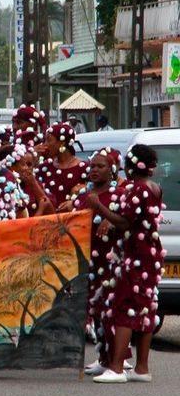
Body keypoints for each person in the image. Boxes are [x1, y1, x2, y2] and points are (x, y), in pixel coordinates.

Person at [87, 144, 164, 383]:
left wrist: (99, 207)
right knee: (145, 309)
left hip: (136, 258)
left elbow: (123, 222)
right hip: (148, 255)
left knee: (123, 308)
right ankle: (141, 368)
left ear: (131, 166)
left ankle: (117, 368)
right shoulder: (154, 187)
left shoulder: (139, 190)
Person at [70, 148, 127, 376]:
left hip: (112, 261)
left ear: (112, 170)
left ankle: (118, 361)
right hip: (89, 262)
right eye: (92, 166)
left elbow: (126, 220)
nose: (94, 170)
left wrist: (109, 219)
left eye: (100, 166)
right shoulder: (85, 195)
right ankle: (103, 358)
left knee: (110, 310)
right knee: (95, 310)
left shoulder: (120, 195)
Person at [36, 122, 88, 209]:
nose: (45, 145)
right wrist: (34, 158)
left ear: (62, 143)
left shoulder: (84, 167)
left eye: (49, 140)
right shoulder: (44, 167)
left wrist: (75, 202)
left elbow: (94, 194)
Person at [0, 143, 54, 217]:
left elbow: (51, 213)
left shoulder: (32, 183)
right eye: (23, 164)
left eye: (29, 165)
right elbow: (21, 225)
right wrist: (40, 210)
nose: (27, 168)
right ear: (11, 166)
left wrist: (34, 185)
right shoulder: (5, 189)